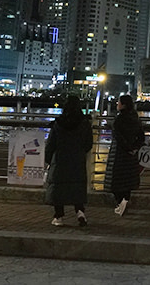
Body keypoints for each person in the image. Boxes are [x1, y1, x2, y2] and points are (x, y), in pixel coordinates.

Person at [44, 95, 93, 227]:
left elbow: (51, 144)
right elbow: (89, 143)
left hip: (60, 159)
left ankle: (58, 216)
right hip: (77, 159)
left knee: (59, 188)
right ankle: (80, 212)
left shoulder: (58, 123)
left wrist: (48, 160)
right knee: (77, 186)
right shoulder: (84, 123)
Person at [104, 94, 145, 216]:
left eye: (119, 102)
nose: (117, 104)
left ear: (124, 105)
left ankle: (120, 202)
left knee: (114, 180)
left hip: (119, 153)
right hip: (131, 155)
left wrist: (127, 148)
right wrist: (134, 148)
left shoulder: (119, 119)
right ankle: (124, 201)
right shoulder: (135, 119)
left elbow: (118, 137)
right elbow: (141, 136)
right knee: (128, 181)